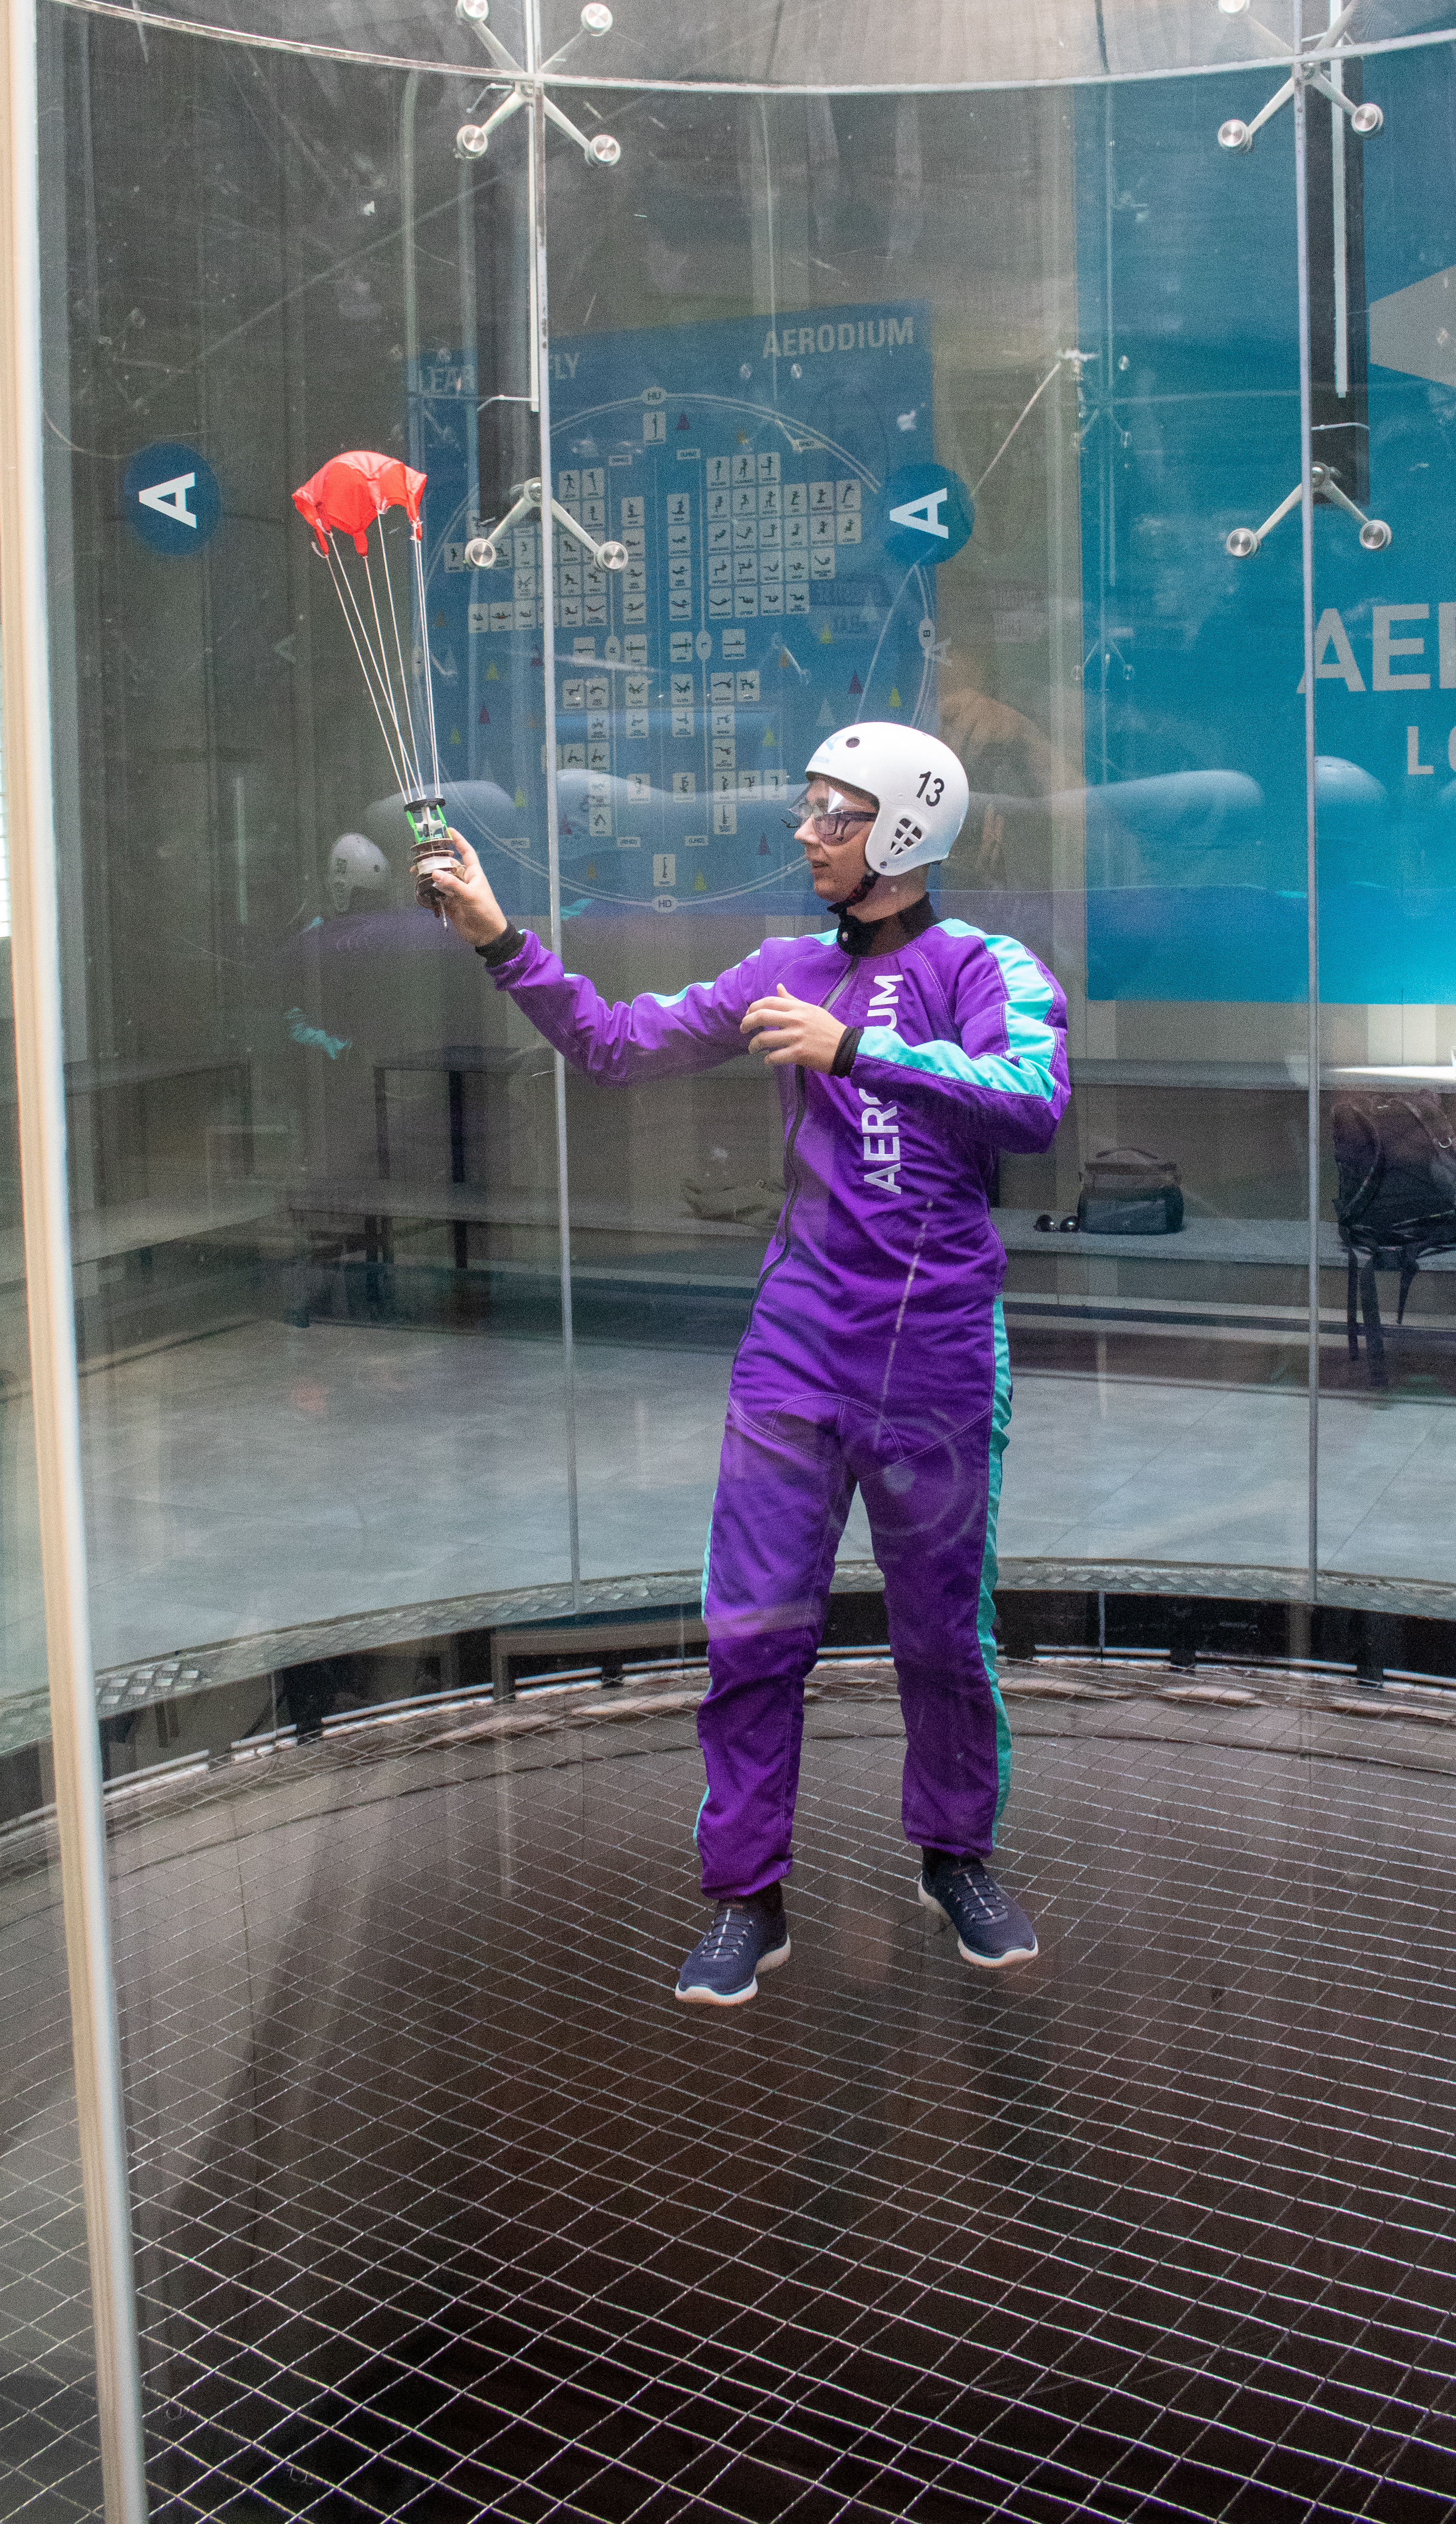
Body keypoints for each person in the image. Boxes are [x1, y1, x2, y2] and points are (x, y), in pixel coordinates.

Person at [427, 722, 1070, 2006]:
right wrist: (502, 939)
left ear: (899, 830)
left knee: (944, 1634)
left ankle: (957, 1857)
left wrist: (859, 1052)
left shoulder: (986, 965)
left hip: (938, 1352)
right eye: (810, 808)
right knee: (751, 1629)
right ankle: (743, 1896)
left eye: (830, 812)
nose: (803, 833)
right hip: (796, 1351)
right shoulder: (783, 968)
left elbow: (1031, 1097)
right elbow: (614, 1042)